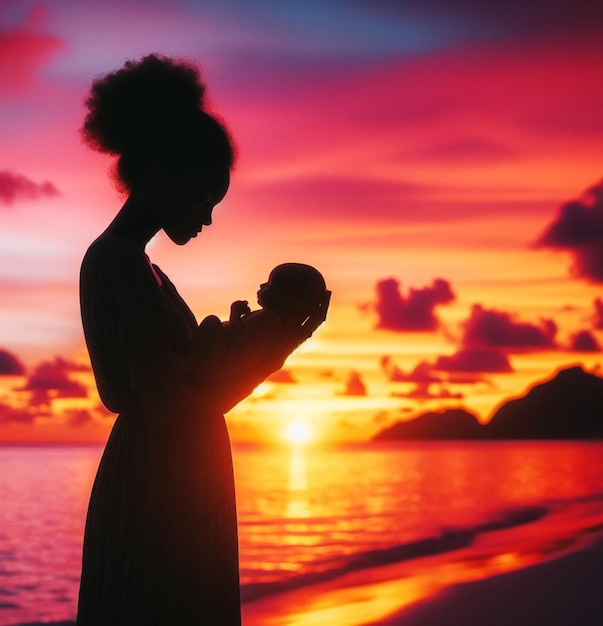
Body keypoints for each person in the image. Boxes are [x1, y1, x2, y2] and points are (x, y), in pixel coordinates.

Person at [77, 54, 327, 625]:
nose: (208, 218)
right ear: (163, 175)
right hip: (158, 488)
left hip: (173, 477)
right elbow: (172, 409)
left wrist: (271, 341)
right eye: (204, 198)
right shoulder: (116, 262)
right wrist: (278, 344)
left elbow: (180, 385)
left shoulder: (140, 267)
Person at [190, 263, 330, 377]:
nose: (262, 286)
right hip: (220, 360)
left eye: (270, 284)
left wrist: (235, 314)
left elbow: (237, 337)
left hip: (220, 363)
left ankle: (188, 360)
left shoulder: (269, 319)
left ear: (287, 299)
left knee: (212, 322)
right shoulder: (270, 320)